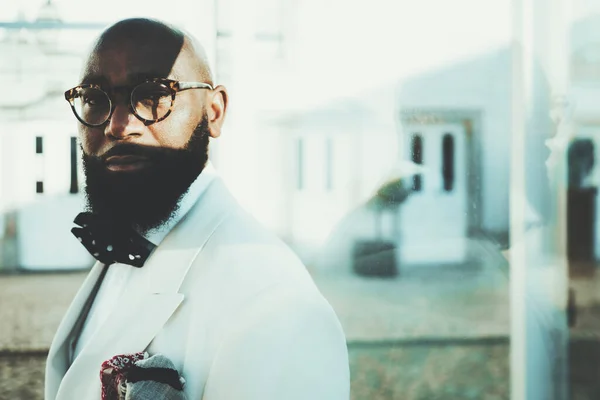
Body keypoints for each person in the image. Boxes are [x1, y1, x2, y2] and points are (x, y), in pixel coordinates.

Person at [45, 18, 349, 400]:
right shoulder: (122, 242)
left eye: (152, 95)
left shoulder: (276, 305)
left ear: (214, 111)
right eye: (95, 98)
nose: (119, 126)